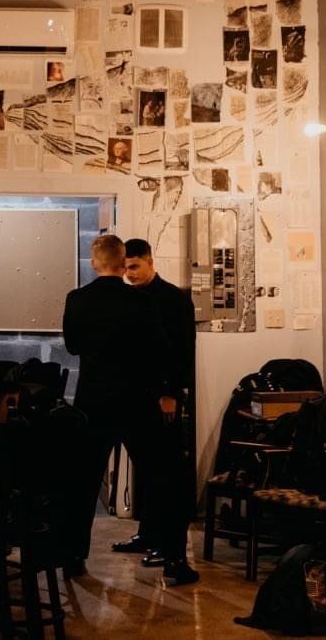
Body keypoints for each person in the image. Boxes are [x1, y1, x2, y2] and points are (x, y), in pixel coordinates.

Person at [62, 234, 189, 584]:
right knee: (163, 477)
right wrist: (166, 389)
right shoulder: (142, 302)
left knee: (83, 481)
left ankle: (72, 555)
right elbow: (161, 349)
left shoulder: (77, 299)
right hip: (137, 400)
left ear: (94, 263)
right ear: (122, 264)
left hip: (93, 401)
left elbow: (72, 346)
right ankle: (175, 559)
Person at [123, 237, 200, 582]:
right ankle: (147, 533)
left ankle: (166, 545)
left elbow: (182, 350)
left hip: (164, 395)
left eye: (135, 266)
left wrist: (171, 393)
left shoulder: (174, 299)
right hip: (138, 395)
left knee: (164, 472)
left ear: (150, 261)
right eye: (126, 268)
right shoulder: (130, 299)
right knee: (145, 469)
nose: (130, 274)